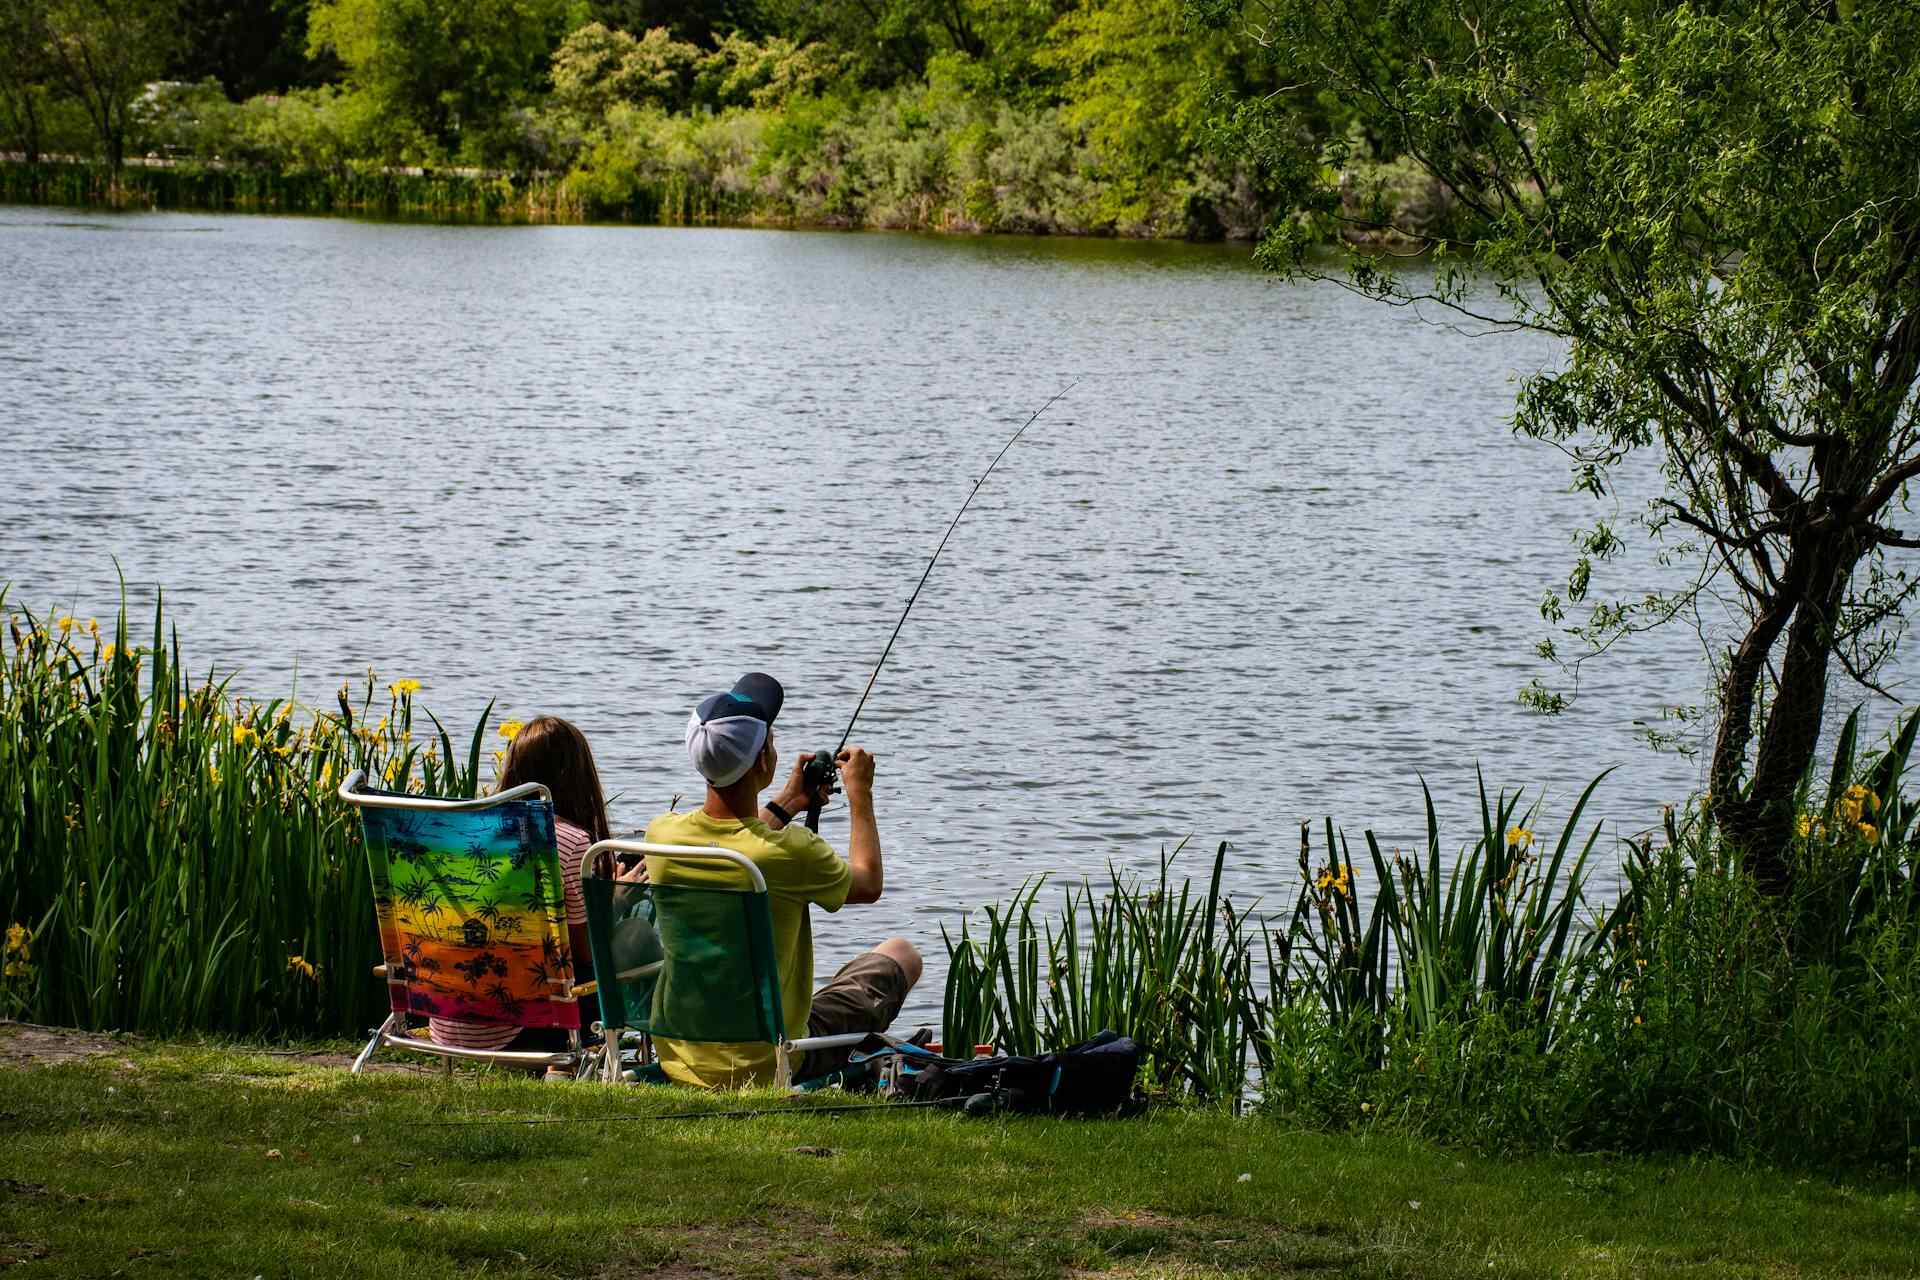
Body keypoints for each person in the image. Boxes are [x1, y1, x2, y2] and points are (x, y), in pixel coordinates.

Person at [643, 672, 922, 1088]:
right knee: (901, 953)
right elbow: (868, 883)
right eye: (771, 741)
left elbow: (741, 845)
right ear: (762, 763)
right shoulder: (791, 851)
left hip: (682, 1053)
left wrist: (789, 801)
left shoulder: (662, 836)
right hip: (768, 1058)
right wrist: (860, 793)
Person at [429, 715, 618, 1052]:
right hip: (521, 1028)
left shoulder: (466, 833)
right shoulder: (571, 842)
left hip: (448, 1019)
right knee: (617, 955)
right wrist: (614, 900)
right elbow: (583, 952)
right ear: (578, 777)